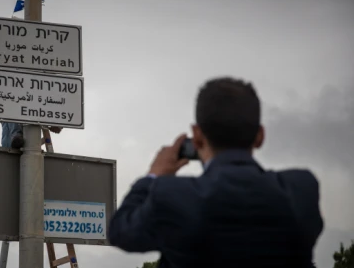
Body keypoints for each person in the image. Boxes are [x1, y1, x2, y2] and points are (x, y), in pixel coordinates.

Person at [108, 77, 323, 268]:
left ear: (197, 136)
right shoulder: (301, 190)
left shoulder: (171, 196)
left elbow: (121, 231)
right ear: (260, 136)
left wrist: (153, 175)